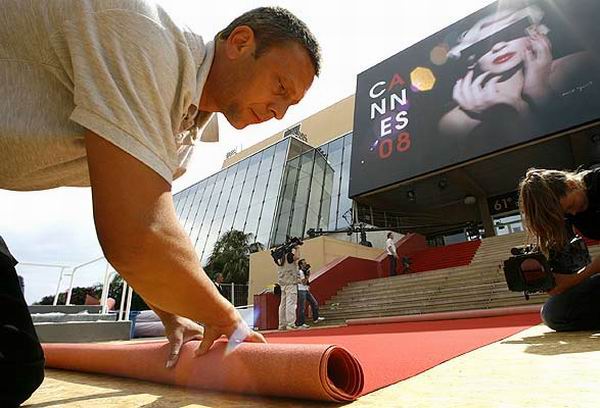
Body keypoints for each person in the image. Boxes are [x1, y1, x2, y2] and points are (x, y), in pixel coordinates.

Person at [0, 1, 320, 404]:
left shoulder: (179, 140)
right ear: (240, 42)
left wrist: (172, 317)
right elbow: (137, 234)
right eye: (280, 87)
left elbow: (132, 225)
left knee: (13, 364)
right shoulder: (145, 40)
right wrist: (224, 318)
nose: (278, 112)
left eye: (290, 106)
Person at [439, 6, 593, 140]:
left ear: (534, 34)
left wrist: (538, 91)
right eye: (483, 45)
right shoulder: (455, 121)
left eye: (510, 34)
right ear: (470, 60)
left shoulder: (580, 66)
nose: (498, 46)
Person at [518, 167, 600, 331]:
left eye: (571, 206)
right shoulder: (569, 213)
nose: (574, 213)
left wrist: (573, 279)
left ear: (570, 184)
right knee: (554, 313)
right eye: (566, 212)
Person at [296, 259, 324, 327]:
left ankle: (316, 318)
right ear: (301, 265)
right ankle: (301, 323)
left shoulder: (304, 271)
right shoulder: (300, 272)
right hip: (301, 290)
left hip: (306, 290)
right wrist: (307, 275)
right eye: (304, 263)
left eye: (305, 263)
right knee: (302, 307)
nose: (305, 264)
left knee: (314, 303)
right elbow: (304, 282)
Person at [277, 249, 300, 330]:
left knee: (282, 304)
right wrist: (297, 248)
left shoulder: (280, 258)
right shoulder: (289, 256)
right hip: (291, 283)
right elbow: (297, 257)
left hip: (283, 283)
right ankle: (290, 324)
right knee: (291, 303)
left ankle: (282, 324)